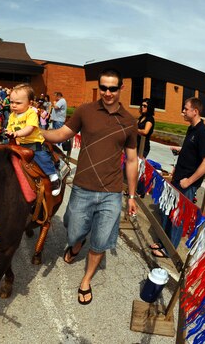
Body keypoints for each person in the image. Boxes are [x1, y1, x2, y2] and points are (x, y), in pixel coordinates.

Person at [42, 68, 138, 305]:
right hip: (83, 187)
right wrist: (38, 132)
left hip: (112, 192)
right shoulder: (85, 111)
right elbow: (63, 134)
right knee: (73, 229)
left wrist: (132, 195)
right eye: (103, 87)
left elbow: (133, 160)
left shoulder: (129, 121)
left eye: (112, 88)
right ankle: (76, 244)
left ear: (121, 89)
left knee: (102, 239)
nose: (107, 92)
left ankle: (86, 280)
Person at [151, 97, 205, 258]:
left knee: (177, 218)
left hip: (187, 184)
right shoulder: (191, 129)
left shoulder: (202, 132)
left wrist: (189, 181)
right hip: (178, 178)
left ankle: (169, 250)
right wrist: (180, 152)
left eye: (185, 108)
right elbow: (191, 152)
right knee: (167, 211)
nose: (182, 111)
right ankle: (163, 241)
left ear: (195, 111)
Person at [6, 84, 61, 197]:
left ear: (30, 103)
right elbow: (10, 127)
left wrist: (16, 134)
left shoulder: (31, 113)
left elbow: (29, 128)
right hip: (20, 145)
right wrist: (9, 133)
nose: (14, 105)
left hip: (34, 144)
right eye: (12, 102)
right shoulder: (12, 115)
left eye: (18, 103)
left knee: (42, 158)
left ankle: (53, 177)